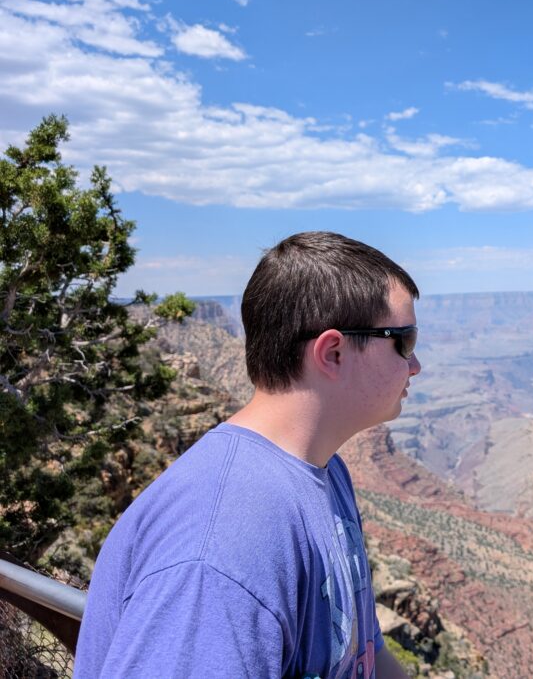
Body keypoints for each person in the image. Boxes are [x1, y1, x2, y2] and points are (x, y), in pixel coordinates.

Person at [75, 231, 421, 678]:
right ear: (333, 352)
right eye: (404, 341)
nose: (415, 365)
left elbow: (366, 654)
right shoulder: (221, 543)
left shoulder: (326, 470)